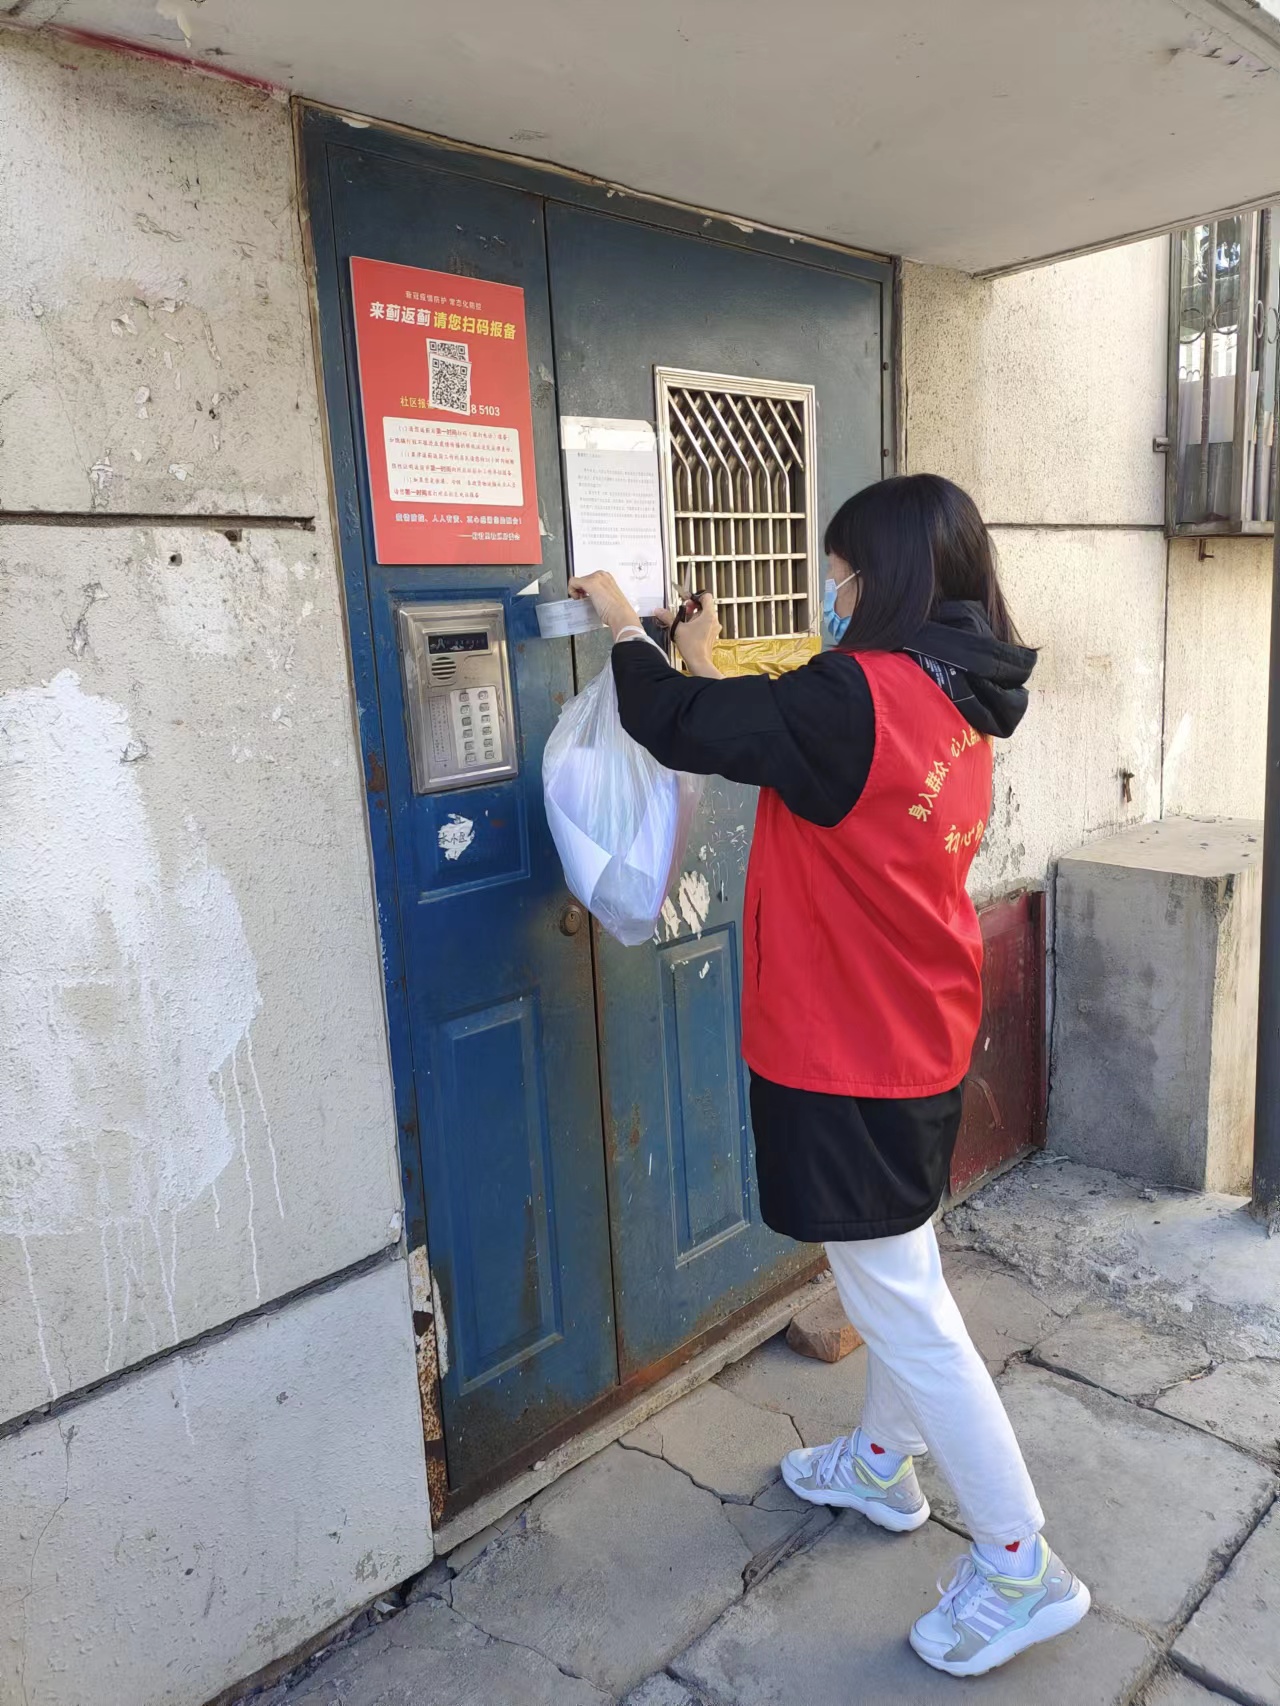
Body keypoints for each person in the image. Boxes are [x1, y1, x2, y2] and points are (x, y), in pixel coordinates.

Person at [568, 472, 1089, 1678]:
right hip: (919, 1027)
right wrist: (704, 659)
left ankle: (1020, 1563)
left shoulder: (852, 693)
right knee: (896, 1266)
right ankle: (878, 1465)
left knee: (902, 1299)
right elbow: (782, 736)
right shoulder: (959, 685)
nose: (828, 588)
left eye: (838, 569)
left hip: (848, 1046)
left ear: (882, 574)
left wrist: (624, 627)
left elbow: (680, 725)